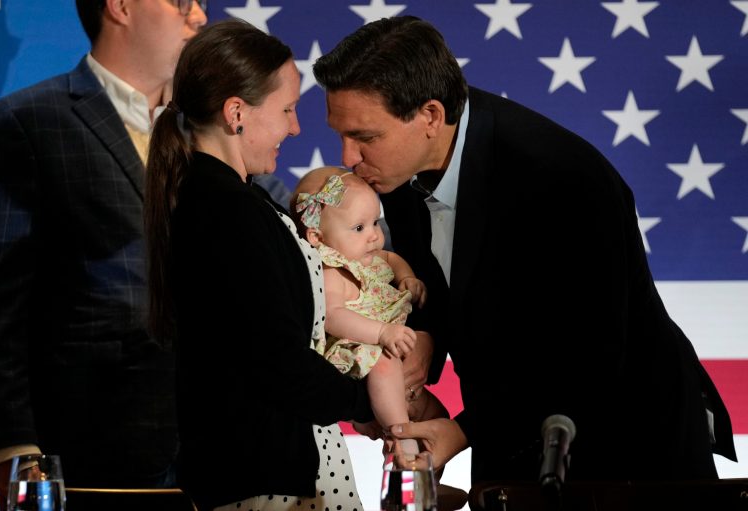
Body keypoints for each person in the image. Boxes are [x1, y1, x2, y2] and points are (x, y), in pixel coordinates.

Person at [312, 15, 738, 485]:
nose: (348, 157)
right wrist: (423, 349)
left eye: (365, 137)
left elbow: (590, 353)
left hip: (628, 449)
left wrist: (464, 430)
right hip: (513, 437)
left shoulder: (561, 177)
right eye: (342, 135)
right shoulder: (392, 170)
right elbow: (445, 286)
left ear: (430, 116)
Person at [0, 0, 206, 507]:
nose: (199, 18)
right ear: (121, 6)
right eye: (181, 2)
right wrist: (14, 449)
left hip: (216, 455)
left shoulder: (211, 130)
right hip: (90, 459)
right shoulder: (29, 121)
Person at [144, 19, 373, 511]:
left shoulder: (231, 198)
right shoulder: (223, 208)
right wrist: (366, 402)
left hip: (270, 467)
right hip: (262, 480)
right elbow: (275, 360)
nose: (295, 126)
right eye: (288, 109)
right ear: (236, 113)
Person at [290, 166, 449, 456]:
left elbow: (392, 257)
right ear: (317, 236)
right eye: (359, 228)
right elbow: (334, 315)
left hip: (393, 355)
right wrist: (382, 332)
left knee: (439, 416)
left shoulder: (369, 256)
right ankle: (401, 440)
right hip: (363, 352)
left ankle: (429, 481)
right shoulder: (332, 271)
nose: (375, 236)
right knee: (383, 366)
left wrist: (406, 278)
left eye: (376, 222)